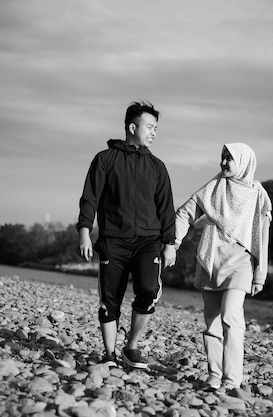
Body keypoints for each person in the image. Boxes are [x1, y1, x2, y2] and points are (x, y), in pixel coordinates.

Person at [77, 100, 176, 369]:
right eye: (150, 126)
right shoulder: (105, 160)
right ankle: (109, 354)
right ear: (133, 127)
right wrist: (85, 231)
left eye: (156, 128)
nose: (154, 132)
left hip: (148, 241)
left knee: (148, 289)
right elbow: (90, 198)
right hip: (113, 240)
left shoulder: (157, 167)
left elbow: (166, 207)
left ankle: (131, 347)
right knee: (110, 299)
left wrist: (170, 243)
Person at [174, 142, 272, 392]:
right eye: (223, 157)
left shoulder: (258, 193)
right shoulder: (213, 187)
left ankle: (232, 379)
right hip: (211, 260)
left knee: (231, 316)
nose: (224, 162)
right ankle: (215, 376)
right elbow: (184, 213)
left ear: (244, 162)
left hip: (241, 262)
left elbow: (262, 235)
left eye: (230, 158)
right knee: (212, 324)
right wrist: (172, 243)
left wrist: (260, 274)